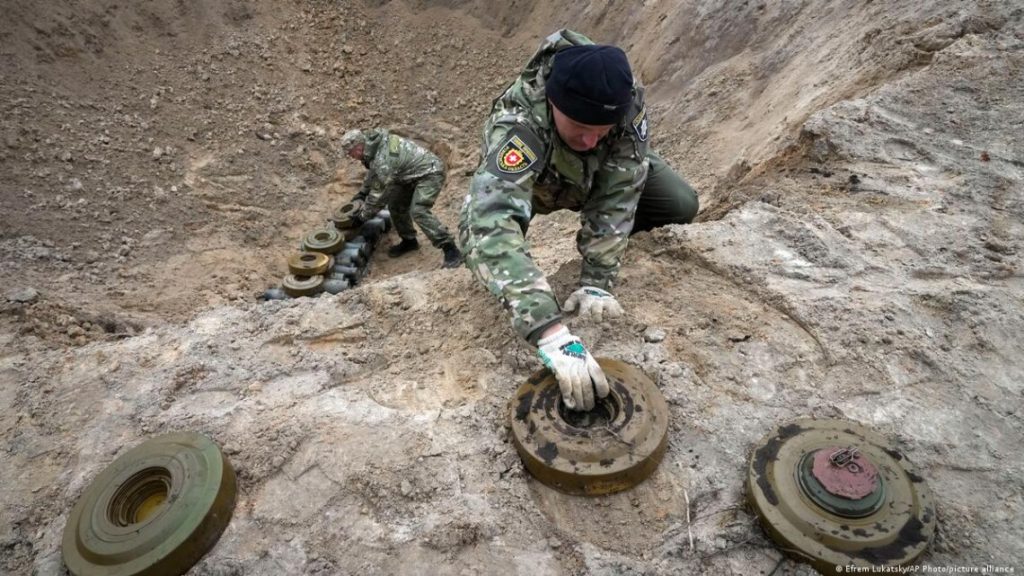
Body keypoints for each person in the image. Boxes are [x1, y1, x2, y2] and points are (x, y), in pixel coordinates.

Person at [459, 30, 699, 411]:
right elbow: (489, 222)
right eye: (581, 128)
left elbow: (621, 187)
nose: (591, 140)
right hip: (539, 182)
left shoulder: (624, 99)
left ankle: (613, 251)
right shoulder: (519, 125)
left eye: (601, 131)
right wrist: (550, 331)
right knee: (493, 247)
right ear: (554, 103)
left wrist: (597, 281)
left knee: (680, 203)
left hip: (595, 176)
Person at [339, 128, 462, 269]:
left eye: (351, 153)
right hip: (408, 174)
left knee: (419, 211)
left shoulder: (384, 159)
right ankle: (409, 241)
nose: (351, 157)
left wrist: (362, 217)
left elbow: (378, 196)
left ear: (358, 147)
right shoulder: (373, 146)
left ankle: (450, 248)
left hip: (430, 173)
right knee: (396, 205)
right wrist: (363, 192)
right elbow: (374, 171)